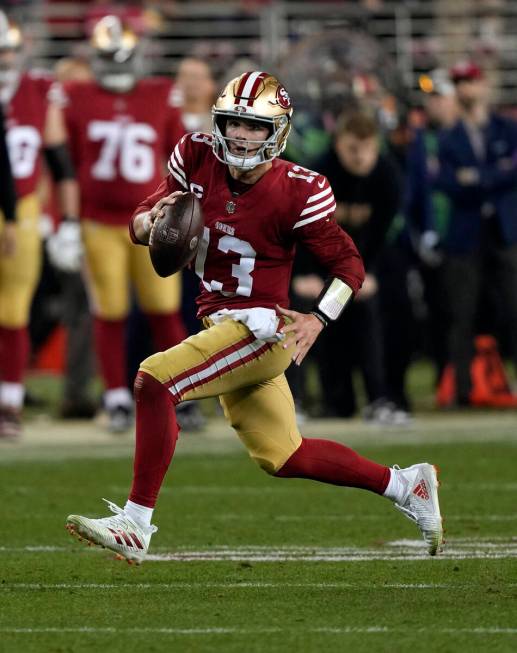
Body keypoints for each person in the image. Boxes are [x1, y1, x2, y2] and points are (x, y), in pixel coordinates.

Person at [66, 71, 443, 563]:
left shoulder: (299, 189)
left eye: (254, 127)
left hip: (262, 328)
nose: (241, 135)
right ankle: (405, 484)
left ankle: (136, 523)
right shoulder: (196, 156)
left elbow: (349, 266)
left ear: (278, 131)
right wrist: (150, 222)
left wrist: (317, 319)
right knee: (285, 455)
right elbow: (141, 220)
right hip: (221, 324)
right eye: (233, 123)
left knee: (154, 380)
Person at [57, 16, 188, 432]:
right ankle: (115, 396)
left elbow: (182, 161)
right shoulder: (75, 96)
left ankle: (181, 392)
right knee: (109, 311)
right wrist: (67, 221)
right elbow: (67, 164)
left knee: (163, 310)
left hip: (153, 220)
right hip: (99, 221)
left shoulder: (161, 94)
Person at [294, 111, 405, 424]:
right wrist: (304, 274)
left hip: (351, 272)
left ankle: (379, 399)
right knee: (299, 317)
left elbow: (381, 234)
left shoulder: (387, 176)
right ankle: (293, 401)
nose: (361, 157)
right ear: (338, 144)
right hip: (314, 268)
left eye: (367, 148)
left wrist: (363, 274)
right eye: (353, 149)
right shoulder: (317, 175)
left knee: (373, 312)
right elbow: (298, 230)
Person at [0, 11, 80, 438]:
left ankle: (9, 402)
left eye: (8, 50)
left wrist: (68, 221)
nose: (5, 59)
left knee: (13, 309)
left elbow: (59, 159)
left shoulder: (36, 90)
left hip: (24, 208)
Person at [437, 61, 517, 406]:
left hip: (504, 229)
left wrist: (475, 177)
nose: (465, 89)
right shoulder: (449, 137)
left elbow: (513, 172)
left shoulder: (506, 128)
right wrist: (492, 175)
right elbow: (449, 183)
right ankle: (464, 390)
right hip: (466, 233)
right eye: (459, 82)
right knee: (462, 313)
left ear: (483, 84)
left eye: (469, 80)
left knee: (513, 307)